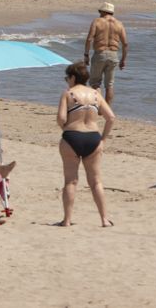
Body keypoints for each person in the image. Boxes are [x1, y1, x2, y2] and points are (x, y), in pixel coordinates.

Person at [57, 61, 115, 227]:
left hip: (72, 137)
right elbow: (111, 117)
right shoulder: (96, 94)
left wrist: (66, 128)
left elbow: (61, 118)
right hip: (93, 138)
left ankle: (67, 220)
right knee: (96, 181)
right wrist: (103, 139)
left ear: (73, 77)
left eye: (67, 78)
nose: (67, 81)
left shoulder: (68, 94)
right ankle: (104, 219)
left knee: (70, 181)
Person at [84, 2, 128, 105]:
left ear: (103, 11)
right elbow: (125, 44)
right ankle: (106, 109)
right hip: (114, 55)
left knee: (95, 83)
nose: (99, 14)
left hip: (100, 53)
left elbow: (89, 39)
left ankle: (98, 106)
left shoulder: (97, 21)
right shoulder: (119, 24)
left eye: (100, 12)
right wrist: (123, 60)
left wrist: (86, 55)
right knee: (109, 85)